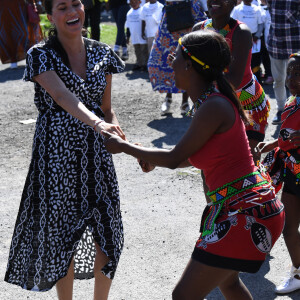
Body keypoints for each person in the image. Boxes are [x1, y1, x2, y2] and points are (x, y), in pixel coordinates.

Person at [102, 30, 285, 299]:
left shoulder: (213, 105)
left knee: (183, 296)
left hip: (245, 214)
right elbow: (190, 155)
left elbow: (176, 157)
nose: (170, 59)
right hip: (248, 209)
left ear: (189, 65)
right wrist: (146, 155)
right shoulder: (210, 102)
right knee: (229, 284)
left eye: (175, 55)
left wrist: (124, 147)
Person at [4, 0, 126, 299]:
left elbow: (108, 110)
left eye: (76, 4)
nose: (72, 12)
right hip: (56, 158)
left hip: (97, 157)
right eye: (62, 7)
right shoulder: (40, 55)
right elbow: (60, 95)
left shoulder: (102, 52)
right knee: (62, 236)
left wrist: (128, 144)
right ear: (50, 15)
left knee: (109, 235)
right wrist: (98, 123)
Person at [193, 0, 270, 164]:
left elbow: (233, 79)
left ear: (234, 3)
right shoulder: (198, 30)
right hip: (214, 102)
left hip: (247, 105)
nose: (214, 1)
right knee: (211, 162)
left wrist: (195, 73)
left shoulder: (241, 32)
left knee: (242, 160)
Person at [256, 53, 300, 294]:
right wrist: (271, 145)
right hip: (293, 174)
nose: (292, 78)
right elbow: (287, 135)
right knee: (289, 227)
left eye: (298, 73)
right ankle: (298, 272)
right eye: (290, 73)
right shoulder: (293, 101)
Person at [148, 0, 206, 116]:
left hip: (189, 17)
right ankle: (168, 98)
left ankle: (185, 102)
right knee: (166, 60)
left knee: (187, 61)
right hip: (169, 21)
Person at [267, 0, 300, 125]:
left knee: (297, 80)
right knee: (279, 80)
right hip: (276, 45)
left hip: (295, 44)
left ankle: (296, 109)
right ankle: (282, 110)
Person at [0, 0, 43, 69]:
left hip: (20, 6)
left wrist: (37, 2)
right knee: (6, 34)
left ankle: (32, 56)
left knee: (23, 33)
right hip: (2, 8)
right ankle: (13, 59)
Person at [231, 0, 264, 83]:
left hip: (255, 39)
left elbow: (261, 24)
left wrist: (257, 35)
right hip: (241, 37)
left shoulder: (257, 9)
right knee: (242, 59)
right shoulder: (237, 9)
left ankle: (257, 81)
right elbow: (233, 23)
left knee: (255, 60)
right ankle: (242, 80)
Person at [125, 0, 148, 71]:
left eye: (136, 2)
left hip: (142, 35)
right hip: (134, 36)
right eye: (132, 2)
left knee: (144, 50)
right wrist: (128, 37)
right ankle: (139, 63)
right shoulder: (129, 13)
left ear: (140, 2)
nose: (134, 4)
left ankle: (145, 64)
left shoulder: (142, 11)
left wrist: (144, 32)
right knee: (137, 50)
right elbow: (128, 26)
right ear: (129, 3)